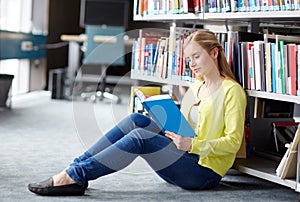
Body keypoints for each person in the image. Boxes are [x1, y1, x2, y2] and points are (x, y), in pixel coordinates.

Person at [28, 29, 247, 196]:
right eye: (189, 59)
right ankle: (74, 167)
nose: (191, 64)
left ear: (214, 52)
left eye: (196, 57)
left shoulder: (232, 92)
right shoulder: (197, 85)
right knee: (137, 120)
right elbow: (191, 126)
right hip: (185, 156)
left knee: (140, 138)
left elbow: (233, 142)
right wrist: (166, 113)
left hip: (203, 172)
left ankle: (74, 176)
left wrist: (192, 145)